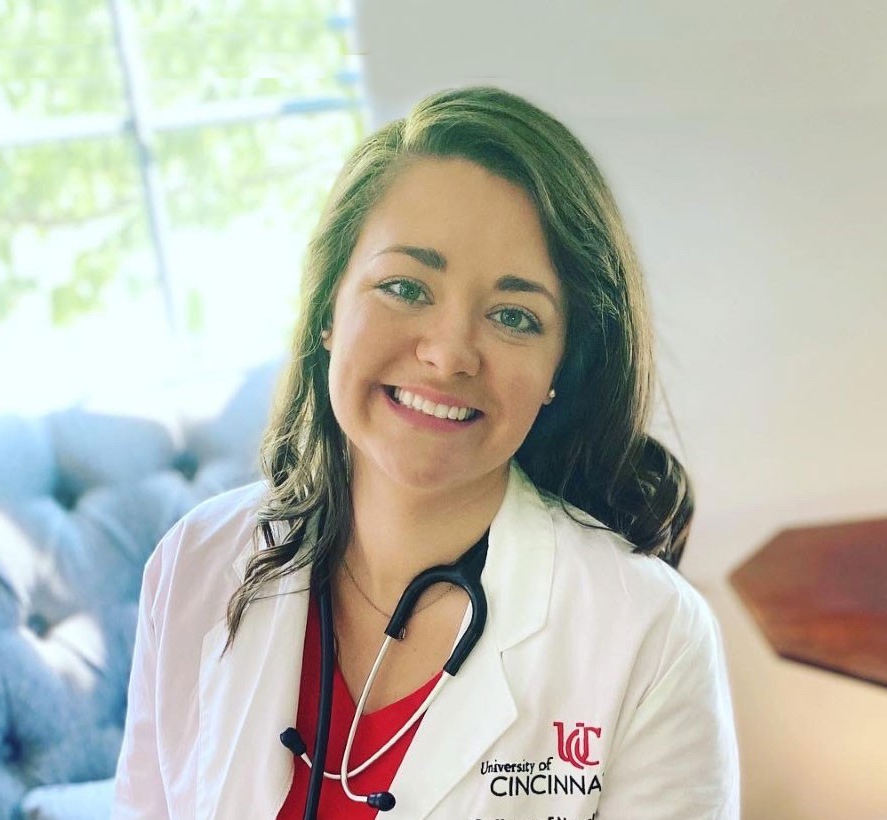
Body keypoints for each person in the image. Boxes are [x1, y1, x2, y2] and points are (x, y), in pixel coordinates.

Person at [112, 85, 739, 819]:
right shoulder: (195, 563)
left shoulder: (651, 636)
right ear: (326, 313)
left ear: (560, 371)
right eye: (406, 286)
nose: (447, 355)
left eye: (513, 316)